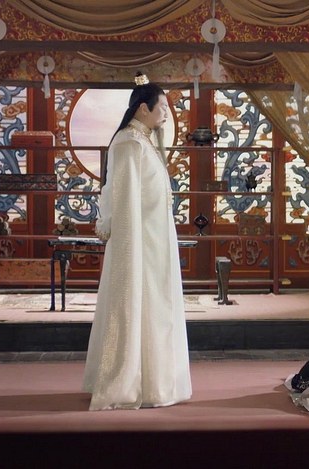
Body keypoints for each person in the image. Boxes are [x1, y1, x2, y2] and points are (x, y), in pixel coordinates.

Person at [82, 72, 191, 410]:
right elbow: (125, 199)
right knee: (139, 305)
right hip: (140, 243)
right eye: (163, 107)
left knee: (157, 308)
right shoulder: (129, 142)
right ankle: (129, 383)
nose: (166, 113)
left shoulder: (143, 141)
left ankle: (155, 382)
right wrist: (129, 251)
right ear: (144, 108)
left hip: (155, 241)